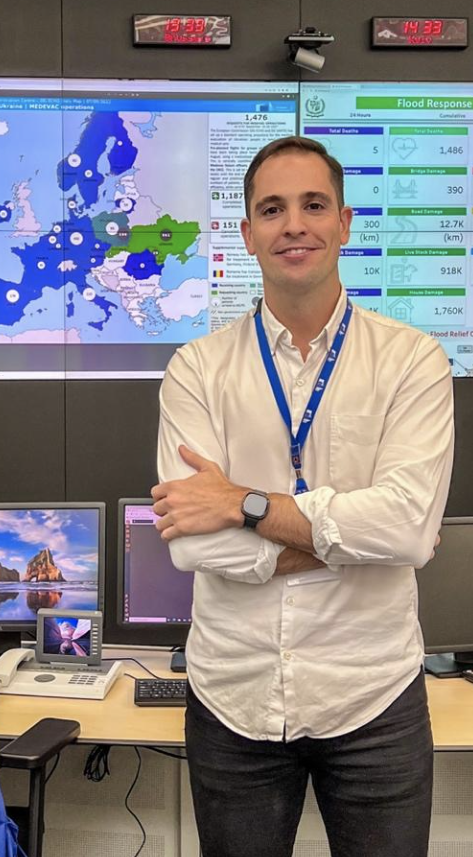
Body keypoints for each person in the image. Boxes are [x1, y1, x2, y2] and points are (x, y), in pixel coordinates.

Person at [151, 136, 454, 857]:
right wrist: (358, 540)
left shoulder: (411, 360)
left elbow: (407, 529)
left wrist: (245, 506)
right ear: (247, 232)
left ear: (343, 223)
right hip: (234, 698)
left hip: (372, 697)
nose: (294, 225)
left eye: (313, 205)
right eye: (272, 209)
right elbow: (192, 543)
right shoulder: (196, 370)